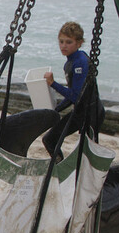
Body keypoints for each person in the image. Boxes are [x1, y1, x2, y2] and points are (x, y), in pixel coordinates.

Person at [42, 21, 105, 162]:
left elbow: (76, 96)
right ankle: (59, 167)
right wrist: (55, 110)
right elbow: (73, 96)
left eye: (69, 42)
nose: (63, 46)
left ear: (79, 43)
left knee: (86, 155)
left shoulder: (80, 63)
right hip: (80, 111)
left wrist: (53, 84)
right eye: (61, 41)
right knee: (49, 139)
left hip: (91, 113)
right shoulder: (70, 62)